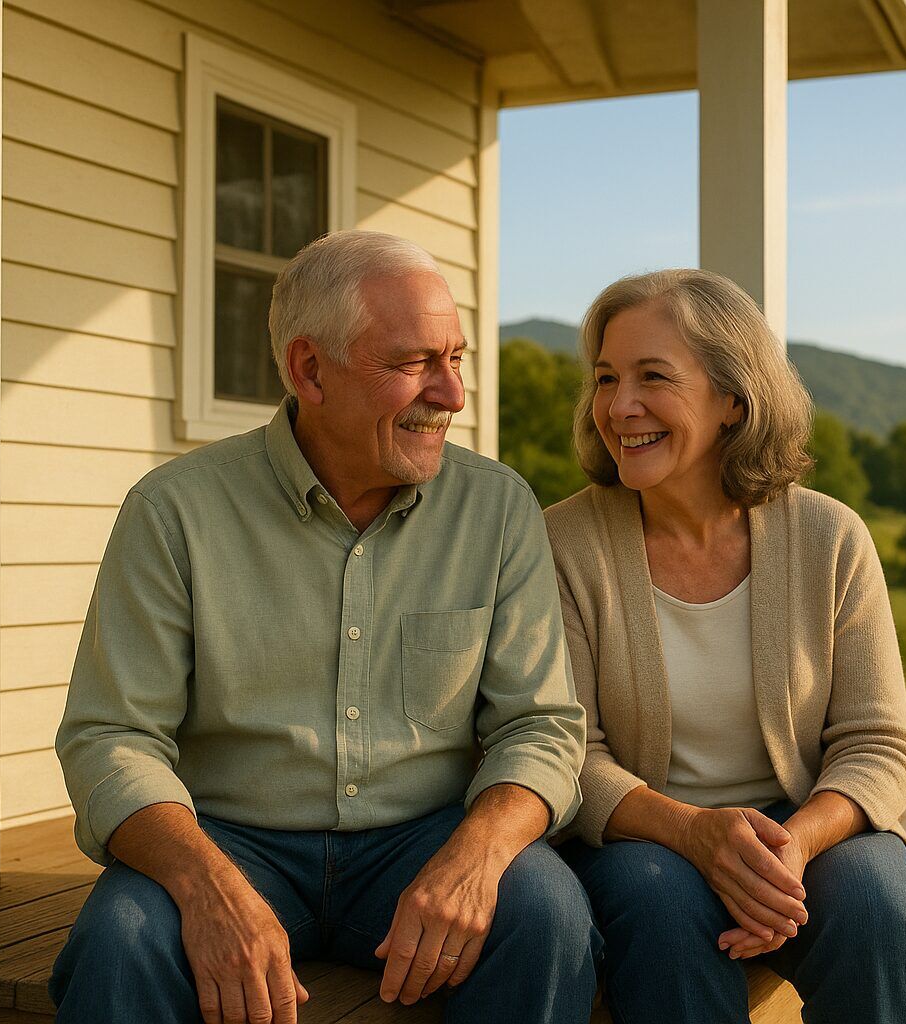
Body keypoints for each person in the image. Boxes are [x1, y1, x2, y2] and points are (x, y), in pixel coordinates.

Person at [50, 230, 597, 1024]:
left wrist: (478, 855)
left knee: (547, 915)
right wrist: (207, 886)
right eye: (415, 364)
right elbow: (111, 737)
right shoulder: (174, 512)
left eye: (456, 359)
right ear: (309, 369)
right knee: (122, 938)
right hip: (229, 840)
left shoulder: (497, 507)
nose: (452, 395)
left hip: (425, 840)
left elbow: (542, 726)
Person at [544, 269, 906, 1023]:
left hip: (799, 821)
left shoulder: (829, 538)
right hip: (644, 833)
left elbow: (879, 742)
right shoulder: (563, 543)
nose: (619, 406)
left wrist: (786, 849)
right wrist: (695, 833)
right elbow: (567, 751)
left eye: (652, 377)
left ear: (733, 399)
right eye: (605, 378)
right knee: (660, 907)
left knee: (875, 904)